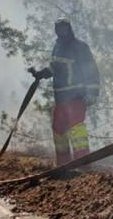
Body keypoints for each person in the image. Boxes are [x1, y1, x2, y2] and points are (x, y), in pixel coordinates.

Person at [31, 18, 100, 166]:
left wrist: (92, 92)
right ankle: (63, 166)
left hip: (76, 96)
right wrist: (41, 74)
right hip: (60, 97)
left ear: (69, 29)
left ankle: (83, 164)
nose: (61, 31)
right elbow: (54, 67)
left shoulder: (80, 47)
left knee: (76, 130)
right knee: (58, 131)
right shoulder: (58, 46)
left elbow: (91, 70)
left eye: (64, 28)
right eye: (58, 28)